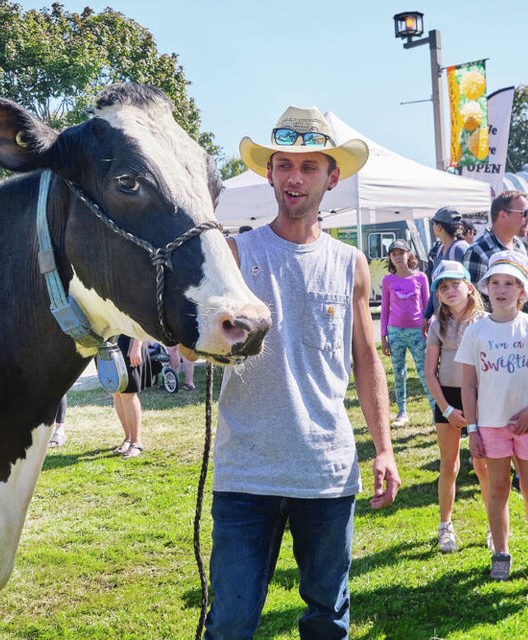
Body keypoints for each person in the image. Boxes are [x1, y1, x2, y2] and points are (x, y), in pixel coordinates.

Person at [205, 105, 400, 638]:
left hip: (326, 472)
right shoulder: (234, 252)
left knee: (327, 620)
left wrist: (383, 448)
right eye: (284, 165)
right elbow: (192, 339)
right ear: (268, 172)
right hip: (247, 472)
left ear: (332, 177)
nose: (295, 178)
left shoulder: (351, 263)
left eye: (309, 167)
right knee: (231, 622)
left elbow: (367, 360)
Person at [455, 250, 528, 584]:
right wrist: (472, 430)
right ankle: (501, 552)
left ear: (521, 290)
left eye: (510, 283)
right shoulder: (475, 331)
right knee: (497, 490)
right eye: (495, 282)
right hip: (489, 425)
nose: (501, 289)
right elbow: (468, 384)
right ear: (486, 288)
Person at [424, 260, 489, 553]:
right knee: (449, 464)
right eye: (443, 286)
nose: (450, 290)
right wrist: (447, 409)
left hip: (480, 396)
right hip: (448, 397)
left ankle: (494, 525)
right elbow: (429, 373)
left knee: (483, 464)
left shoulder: (485, 322)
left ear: (469, 288)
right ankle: (445, 526)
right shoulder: (438, 324)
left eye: (455, 284)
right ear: (437, 294)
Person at [380, 239, 431, 427]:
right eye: (393, 254)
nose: (397, 257)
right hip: (395, 333)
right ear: (390, 258)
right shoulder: (388, 281)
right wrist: (383, 336)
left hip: (418, 332)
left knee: (425, 372)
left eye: (401, 253)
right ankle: (402, 412)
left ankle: (436, 410)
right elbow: (384, 309)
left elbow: (428, 306)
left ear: (409, 254)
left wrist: (429, 329)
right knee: (398, 372)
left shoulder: (420, 278)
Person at [461, 190, 528, 294]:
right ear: (503, 215)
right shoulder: (478, 252)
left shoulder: (519, 247)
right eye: (524, 213)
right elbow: (473, 303)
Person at [423, 207, 470, 324]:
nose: (432, 227)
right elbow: (435, 289)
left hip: (457, 320)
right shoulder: (439, 249)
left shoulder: (460, 249)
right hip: (442, 318)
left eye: (433, 223)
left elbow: (469, 287)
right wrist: (426, 316)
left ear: (439, 227)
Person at [112, 335, 151, 460]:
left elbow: (140, 320)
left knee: (128, 394)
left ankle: (136, 442)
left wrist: (136, 347)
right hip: (110, 345)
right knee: (116, 392)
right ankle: (128, 439)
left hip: (129, 344)